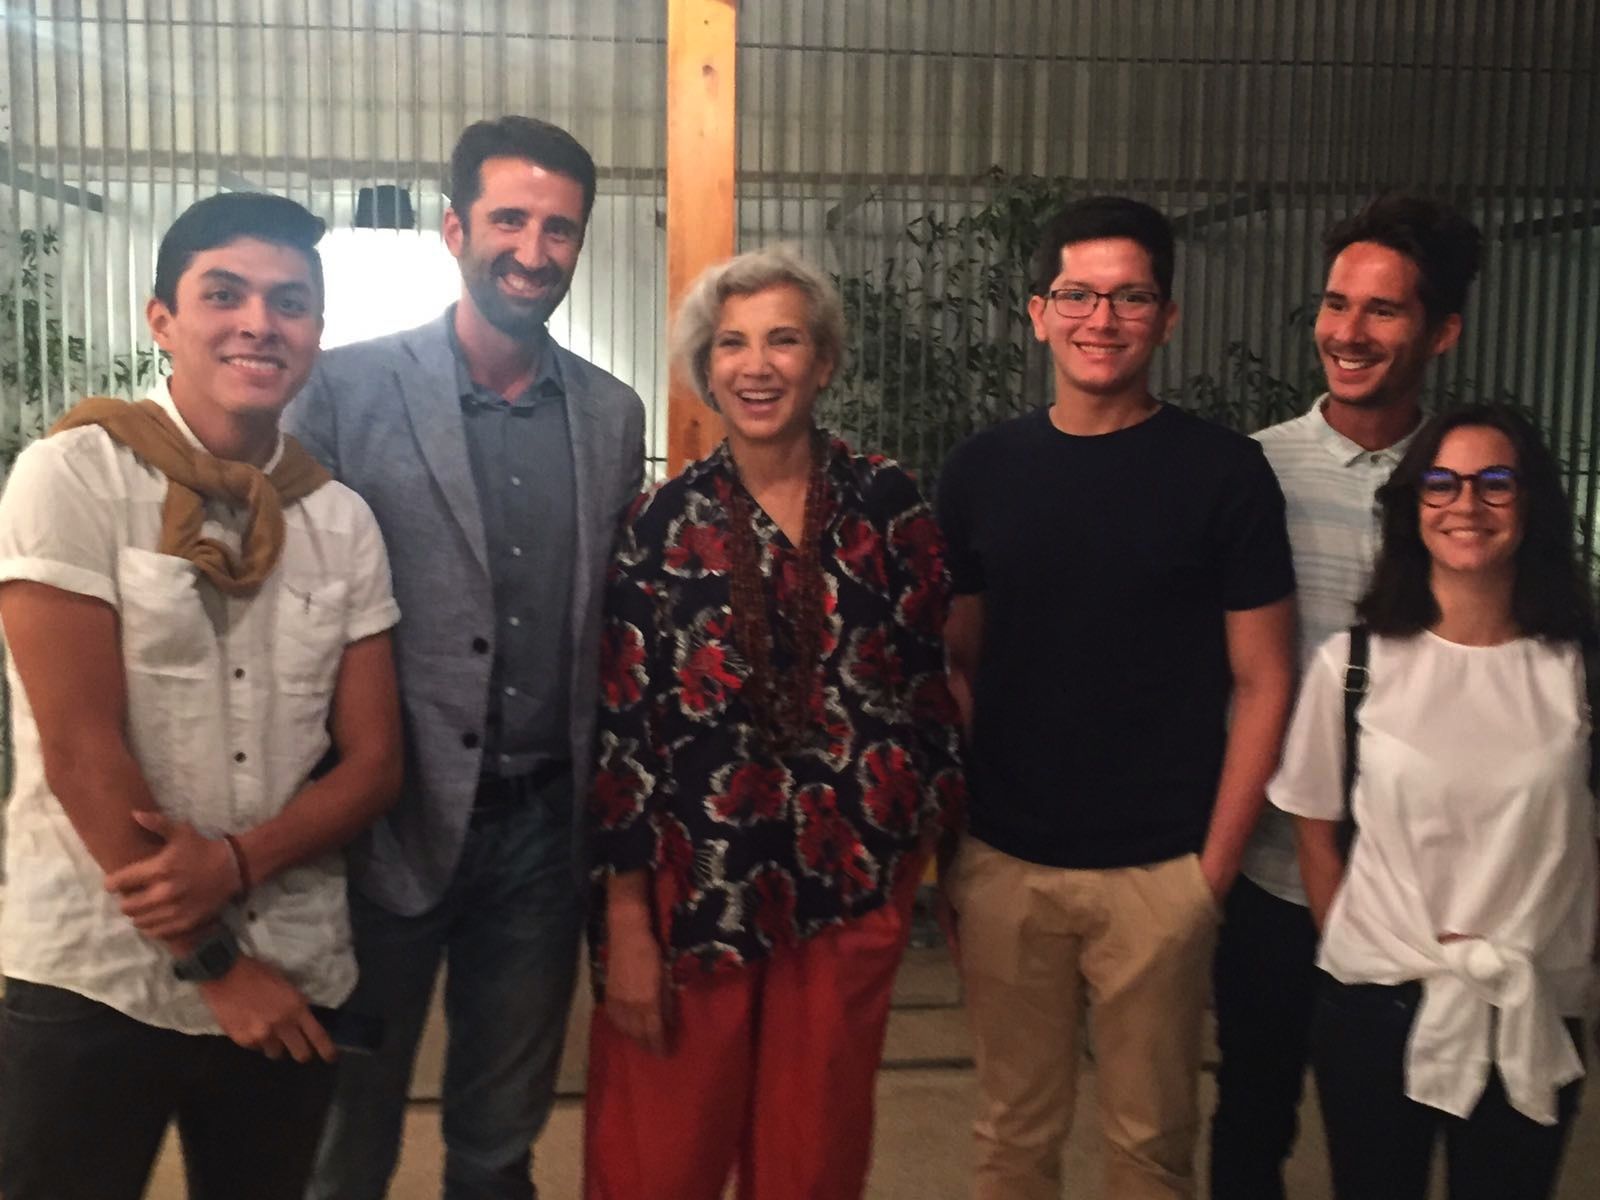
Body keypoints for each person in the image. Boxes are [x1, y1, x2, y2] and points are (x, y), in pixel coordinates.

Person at [0, 192, 402, 1200]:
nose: (259, 322)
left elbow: (374, 762)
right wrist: (217, 965)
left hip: (295, 955)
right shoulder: (71, 475)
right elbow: (83, 754)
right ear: (163, 319)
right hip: (97, 968)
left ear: (315, 331)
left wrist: (235, 865)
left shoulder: (340, 520)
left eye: (290, 301)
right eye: (224, 294)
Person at [284, 116, 646, 1200]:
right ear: (454, 226)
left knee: (498, 1134)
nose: (534, 250)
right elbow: (300, 610)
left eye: (560, 229)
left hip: (541, 832)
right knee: (349, 1124)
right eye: (510, 220)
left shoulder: (611, 413)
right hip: (385, 823)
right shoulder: (343, 391)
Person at [581, 247, 966, 1200]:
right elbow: (624, 734)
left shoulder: (891, 505)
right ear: (706, 369)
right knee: (657, 1161)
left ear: (823, 361)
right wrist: (625, 921)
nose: (757, 366)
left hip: (849, 887)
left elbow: (929, 693)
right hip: (694, 889)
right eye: (732, 344)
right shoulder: (658, 524)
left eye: (783, 340)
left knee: (814, 1161)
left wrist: (934, 858)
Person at [936, 195, 1297, 1199]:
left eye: (1129, 296)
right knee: (1012, 1138)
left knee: (1149, 1147)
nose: (1102, 319)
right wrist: (963, 847)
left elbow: (1266, 678)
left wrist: (1206, 880)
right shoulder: (980, 471)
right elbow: (957, 664)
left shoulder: (1226, 476)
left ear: (1167, 316)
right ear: (1038, 312)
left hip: (1160, 876)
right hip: (1009, 865)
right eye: (1078, 296)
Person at [1210, 194, 1482, 1199]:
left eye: (1382, 311)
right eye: (1334, 304)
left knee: (1405, 1137)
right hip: (1279, 876)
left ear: (1440, 331)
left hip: (1434, 891)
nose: (1347, 333)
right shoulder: (1252, 473)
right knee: (1249, 1121)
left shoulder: (1472, 483)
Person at [1269, 405, 1597, 1200]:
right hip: (1378, 1005)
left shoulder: (1579, 669)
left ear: (1533, 504)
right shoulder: (1351, 665)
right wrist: (1370, 954)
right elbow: (1316, 835)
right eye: (1441, 484)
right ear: (1414, 506)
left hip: (1531, 1001)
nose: (1466, 506)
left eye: (1495, 483)